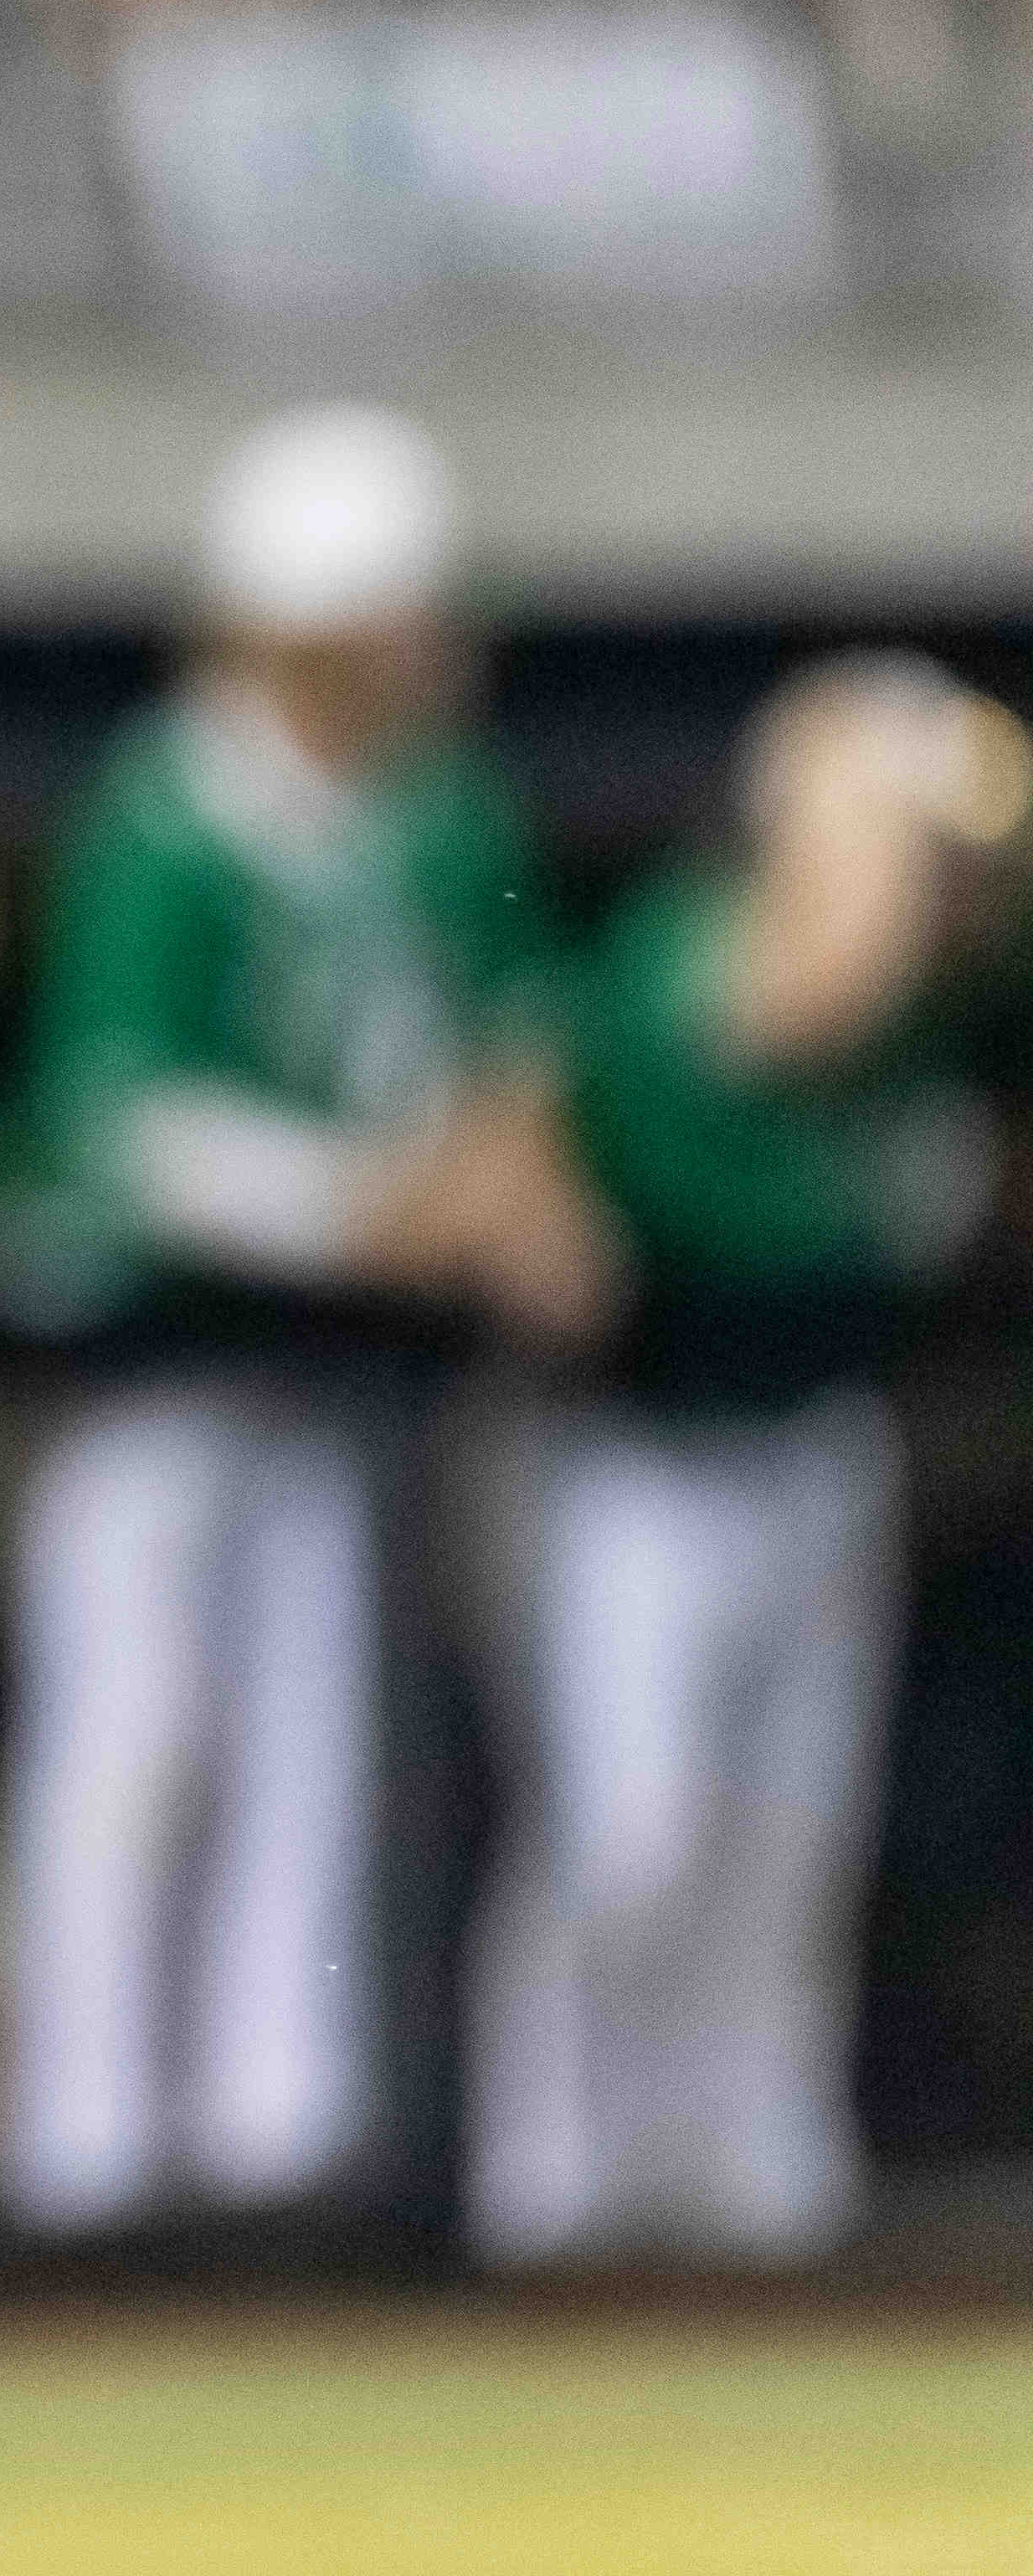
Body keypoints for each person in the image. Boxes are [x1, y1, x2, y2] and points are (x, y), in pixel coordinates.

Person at [0, 403, 614, 2242]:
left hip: (335, 1373)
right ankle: (88, 2159)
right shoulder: (164, 816)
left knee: (312, 1756)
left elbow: (517, 1032)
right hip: (149, 1363)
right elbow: (117, 1124)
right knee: (138, 1744)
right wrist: (367, 1206)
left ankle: (280, 2158)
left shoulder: (442, 811)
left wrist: (505, 1178)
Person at [473, 653, 1027, 2265]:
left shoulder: (951, 1005)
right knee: (633, 1843)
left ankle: (760, 2216)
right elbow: (739, 1031)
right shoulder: (672, 962)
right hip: (633, 1467)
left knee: (787, 1856)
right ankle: (552, 2205)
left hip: (814, 1454)